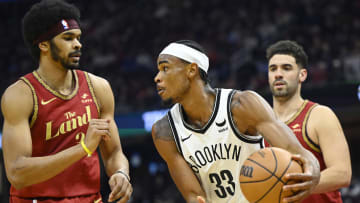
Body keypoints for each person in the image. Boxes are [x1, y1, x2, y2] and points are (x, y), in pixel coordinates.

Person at [151, 40, 320, 203]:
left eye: (165, 68)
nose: (157, 78)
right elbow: (193, 195)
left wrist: (312, 169)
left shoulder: (242, 105)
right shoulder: (164, 132)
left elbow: (296, 151)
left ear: (191, 70)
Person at [1, 0, 132, 202]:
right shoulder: (21, 95)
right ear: (43, 44)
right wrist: (83, 148)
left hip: (90, 198)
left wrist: (121, 173)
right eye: (68, 38)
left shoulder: (99, 88)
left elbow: (114, 152)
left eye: (78, 38)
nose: (78, 44)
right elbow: (17, 174)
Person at [265, 40, 352, 202]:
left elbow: (343, 173)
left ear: (302, 75)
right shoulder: (260, 125)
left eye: (286, 68)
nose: (278, 74)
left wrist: (298, 185)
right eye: (273, 69)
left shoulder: (319, 115)